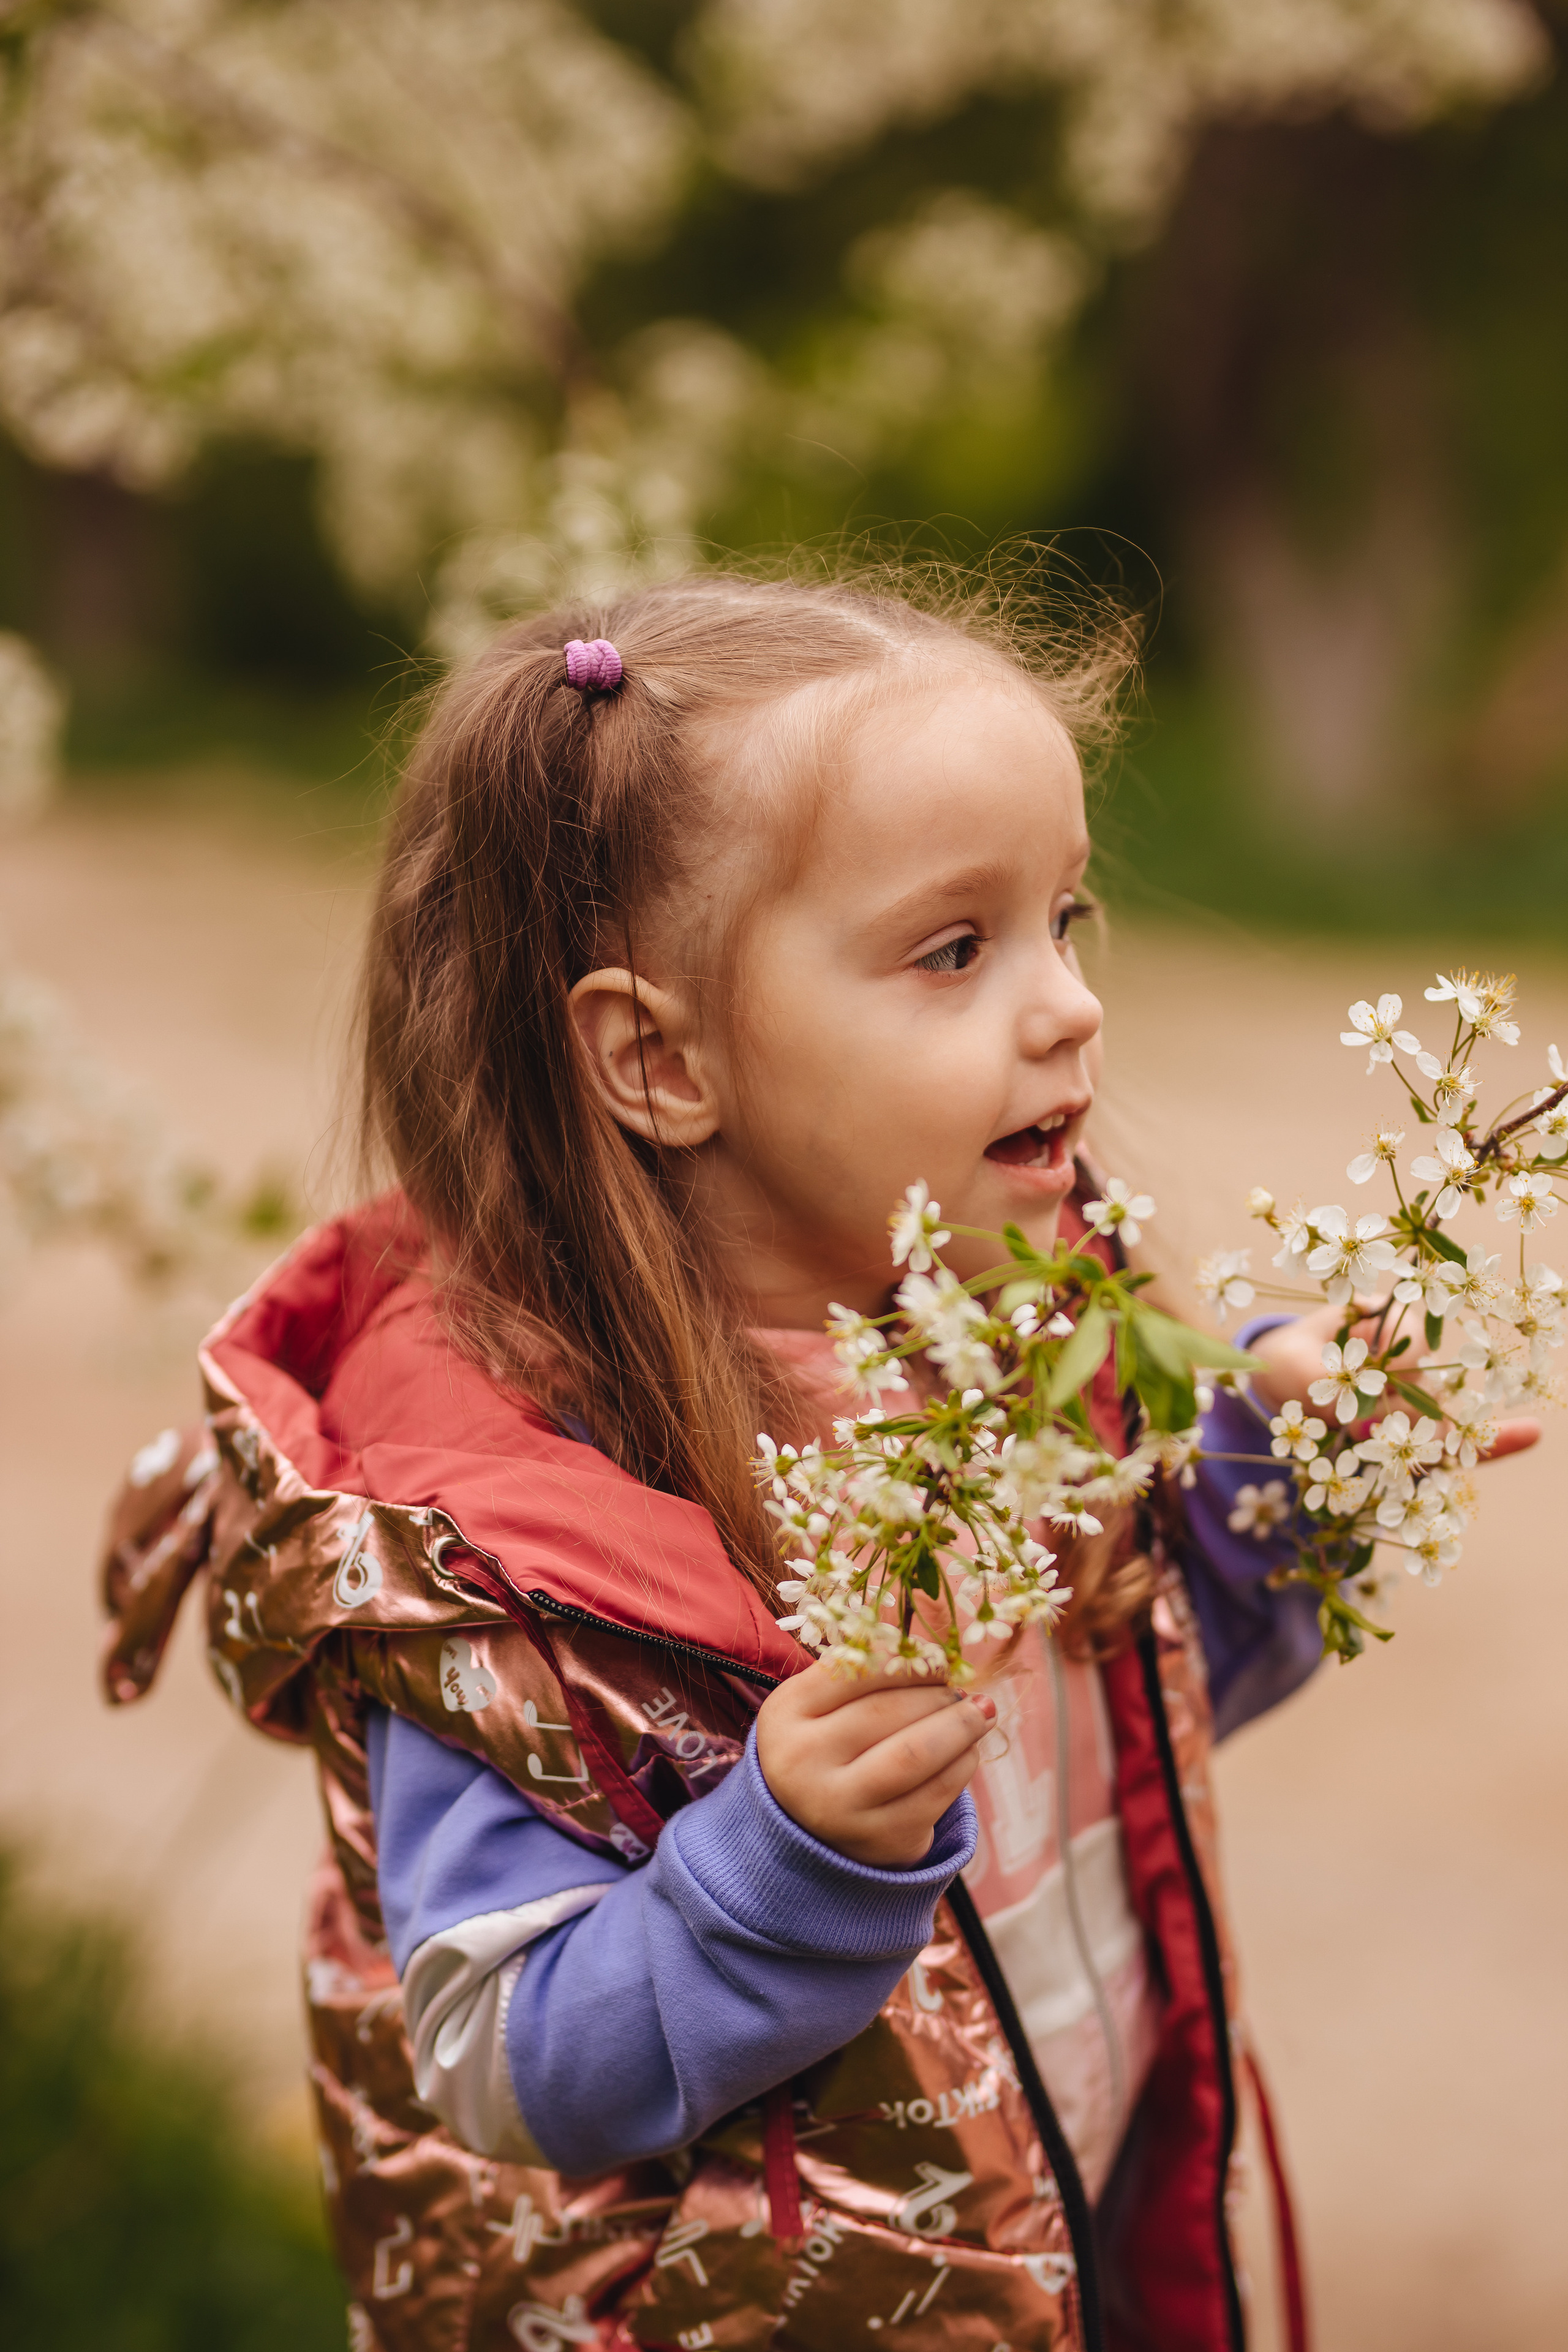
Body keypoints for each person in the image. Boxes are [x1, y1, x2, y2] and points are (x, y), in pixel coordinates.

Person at [99, 573, 1536, 2352]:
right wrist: (781, 1867)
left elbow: (1115, 1750)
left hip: (1071, 2251)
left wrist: (1284, 1479)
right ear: (658, 1058)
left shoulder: (1021, 1344)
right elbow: (496, 2065)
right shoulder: (499, 1554)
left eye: (1067, 919)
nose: (1073, 1005)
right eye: (957, 950)